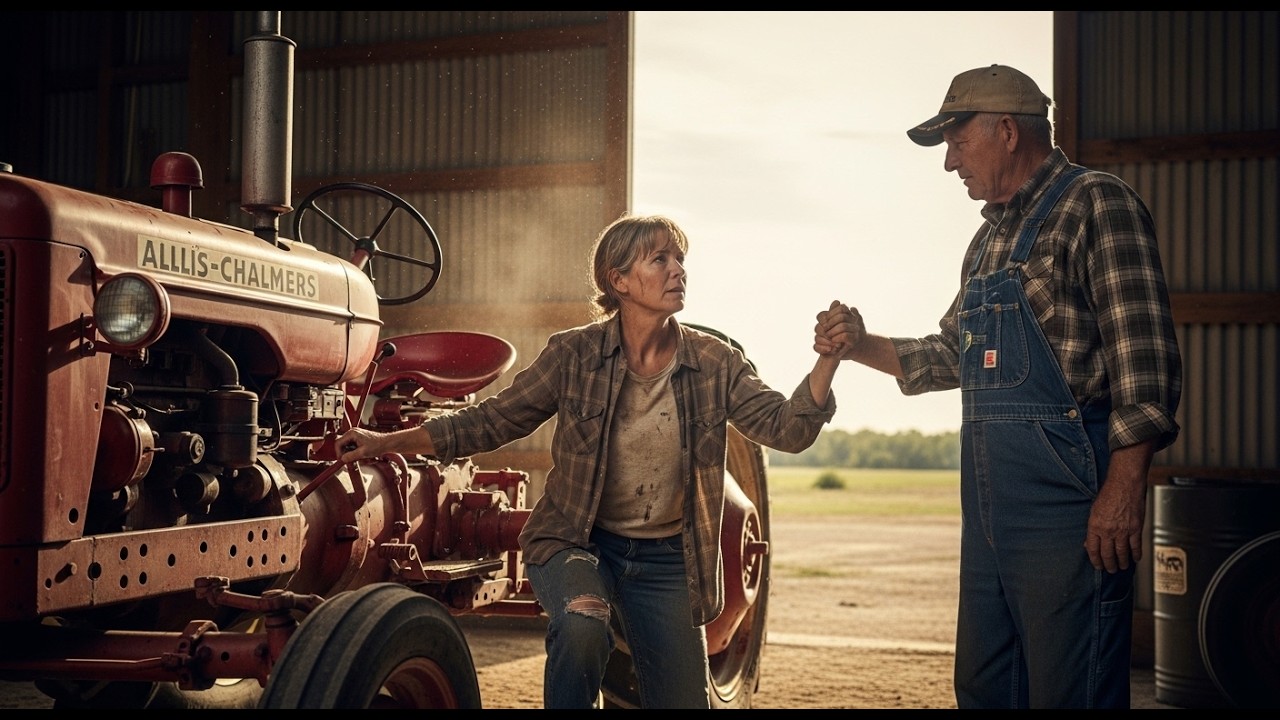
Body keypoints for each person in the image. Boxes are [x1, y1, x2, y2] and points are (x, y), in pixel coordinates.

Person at [337, 214, 850, 709]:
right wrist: (384, 444)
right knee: (583, 620)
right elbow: (490, 422)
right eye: (660, 259)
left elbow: (788, 429)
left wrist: (827, 359)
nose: (678, 270)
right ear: (619, 280)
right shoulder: (574, 355)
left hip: (669, 558)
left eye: (680, 258)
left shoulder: (715, 362)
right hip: (577, 542)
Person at [815, 65, 1182, 709]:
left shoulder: (1097, 204)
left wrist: (1124, 490)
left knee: (1071, 688)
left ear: (1006, 131)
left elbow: (1144, 366)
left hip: (1069, 505)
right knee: (987, 686)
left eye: (957, 143)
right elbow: (952, 357)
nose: (950, 162)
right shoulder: (987, 241)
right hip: (988, 510)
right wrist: (860, 344)